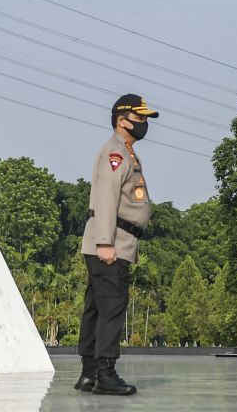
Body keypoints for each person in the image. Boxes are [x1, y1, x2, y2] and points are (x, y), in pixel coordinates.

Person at [75, 94, 159, 396]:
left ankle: (88, 374)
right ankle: (105, 374)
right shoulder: (116, 153)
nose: (144, 123)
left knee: (97, 309)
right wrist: (105, 243)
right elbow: (106, 199)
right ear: (122, 120)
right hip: (111, 243)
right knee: (111, 309)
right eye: (140, 118)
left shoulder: (126, 152)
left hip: (117, 240)